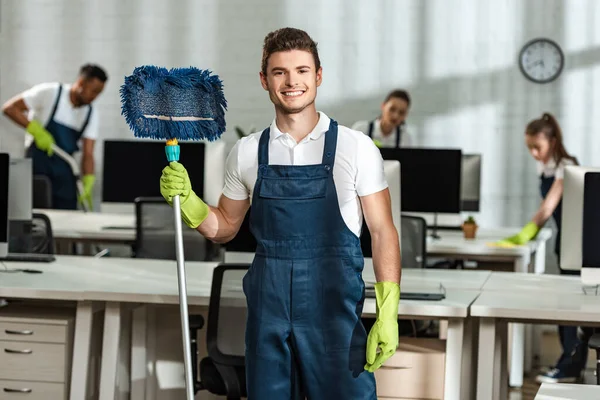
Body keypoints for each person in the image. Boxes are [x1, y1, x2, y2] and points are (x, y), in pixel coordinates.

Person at [160, 28, 401, 398]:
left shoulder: (356, 148)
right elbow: (224, 227)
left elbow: (383, 231)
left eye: (302, 71)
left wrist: (389, 311)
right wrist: (189, 200)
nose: (292, 82)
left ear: (318, 76)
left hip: (333, 316)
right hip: (268, 313)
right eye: (280, 72)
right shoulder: (246, 152)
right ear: (264, 80)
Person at [498, 112, 587, 383]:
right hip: (566, 239)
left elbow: (548, 207)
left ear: (553, 141)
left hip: (579, 243)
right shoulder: (547, 166)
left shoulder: (565, 167)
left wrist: (525, 234)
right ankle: (568, 364)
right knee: (567, 306)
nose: (534, 153)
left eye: (537, 147)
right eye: (530, 148)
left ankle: (570, 366)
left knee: (572, 308)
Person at [2, 64, 108, 210]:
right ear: (81, 83)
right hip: (39, 167)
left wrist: (88, 179)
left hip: (65, 172)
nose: (95, 97)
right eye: (94, 91)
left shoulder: (91, 113)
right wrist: (36, 130)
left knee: (67, 217)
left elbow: (88, 153)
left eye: (99, 93)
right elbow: (10, 108)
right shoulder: (50, 93)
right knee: (36, 215)